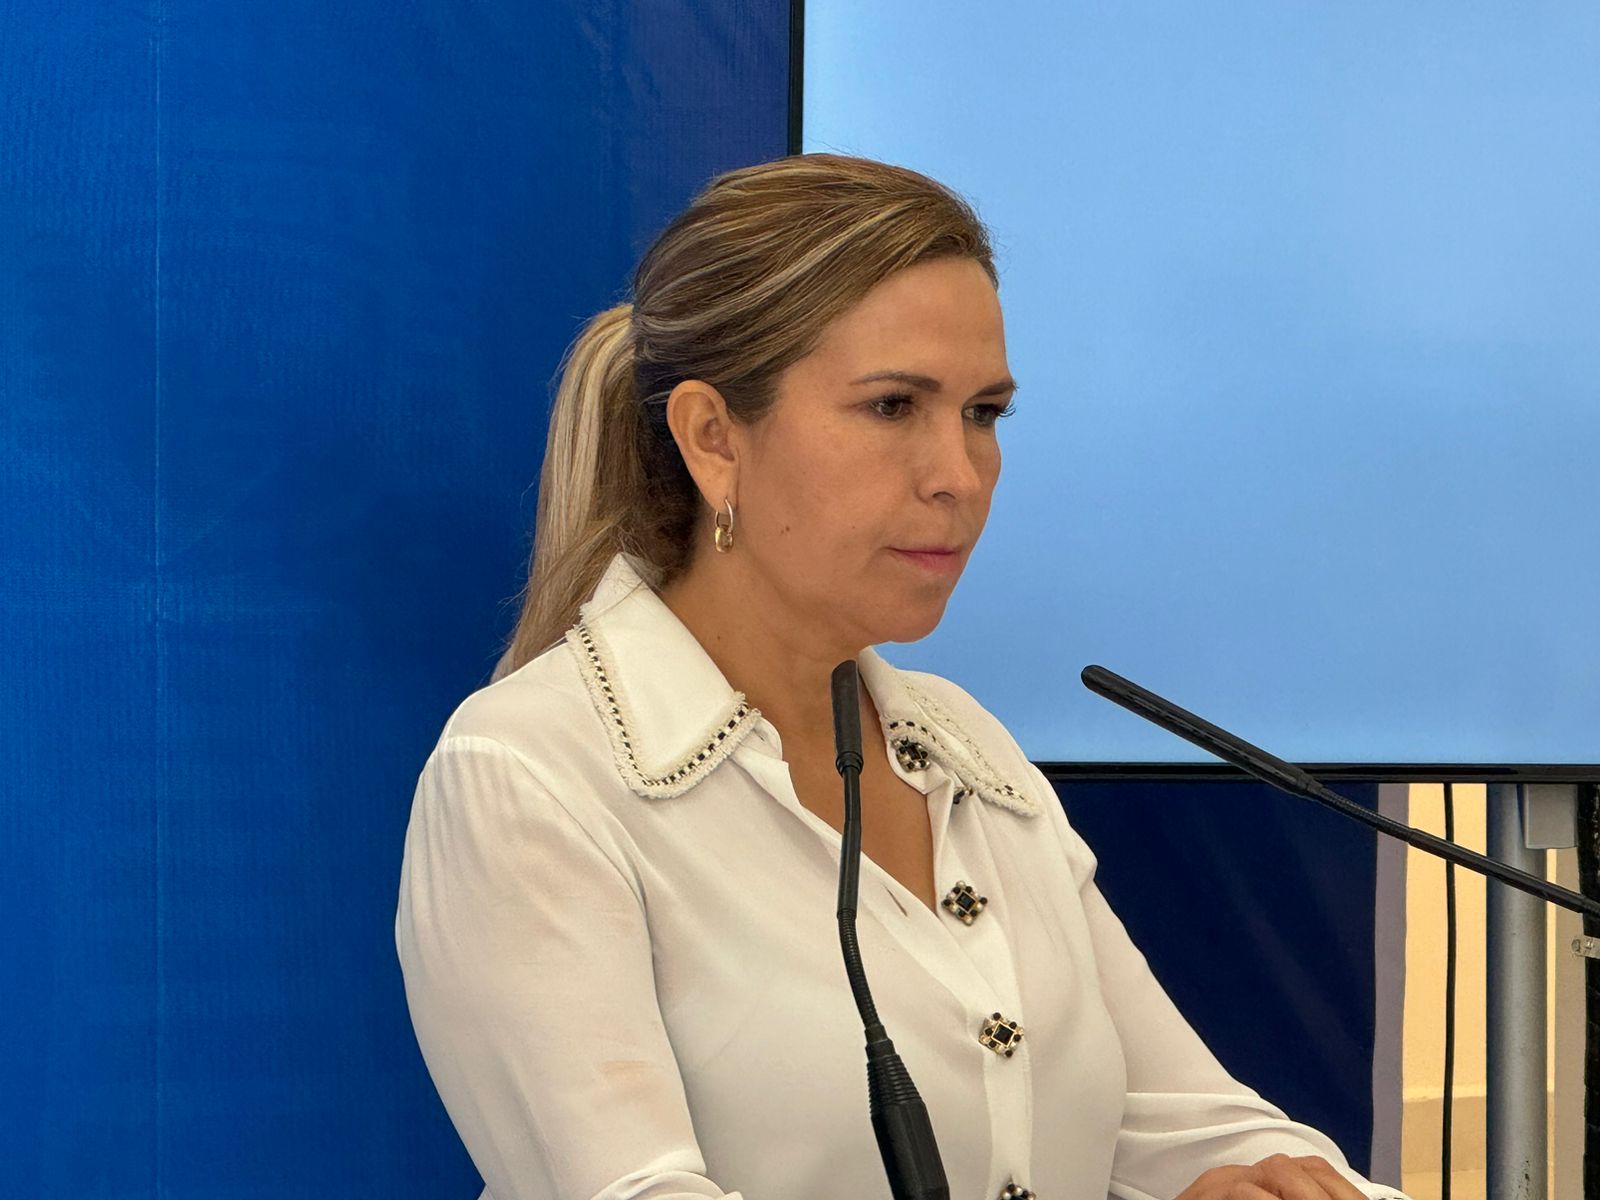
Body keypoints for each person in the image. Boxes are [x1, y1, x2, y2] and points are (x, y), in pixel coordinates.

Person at [395, 153, 1408, 1200]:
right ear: (712, 438)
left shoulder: (966, 747)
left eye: (984, 413)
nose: (959, 477)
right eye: (892, 407)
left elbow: (1206, 1134)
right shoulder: (529, 775)